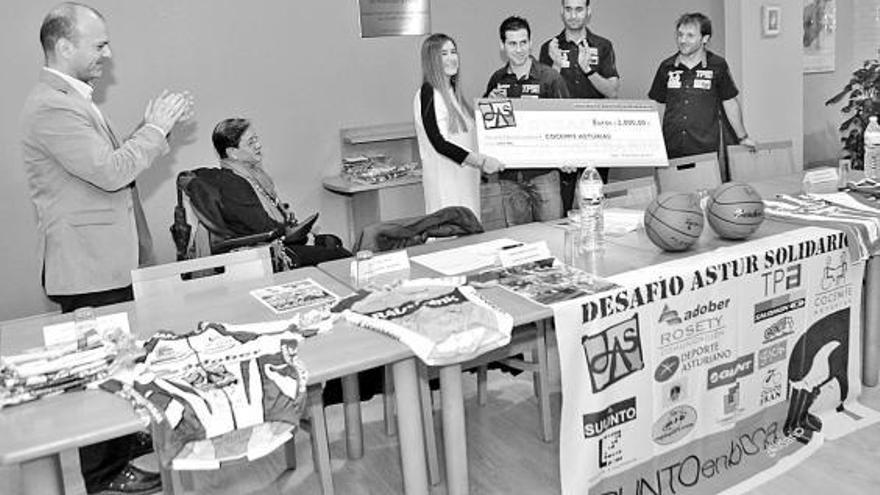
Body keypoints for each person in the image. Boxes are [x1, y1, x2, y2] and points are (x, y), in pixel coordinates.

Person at [20, 3, 192, 494]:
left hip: (107, 262)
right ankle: (105, 479)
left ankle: (125, 460)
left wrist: (151, 129)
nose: (108, 53)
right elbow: (112, 172)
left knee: (119, 369)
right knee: (97, 379)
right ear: (64, 46)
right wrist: (155, 130)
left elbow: (109, 165)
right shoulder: (51, 105)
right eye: (99, 45)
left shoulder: (74, 99)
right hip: (87, 269)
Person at [209, 118, 352, 267]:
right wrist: (300, 235)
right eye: (251, 143)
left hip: (277, 242)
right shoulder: (233, 184)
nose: (258, 145)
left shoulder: (251, 174)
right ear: (233, 153)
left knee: (332, 242)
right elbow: (264, 228)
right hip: (266, 253)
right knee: (342, 257)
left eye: (256, 139)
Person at [484, 16, 570, 227]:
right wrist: (489, 104)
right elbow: (490, 128)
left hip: (545, 174)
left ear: (531, 42)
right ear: (502, 46)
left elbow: (567, 122)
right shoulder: (497, 79)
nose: (519, 49)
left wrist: (568, 156)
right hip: (509, 176)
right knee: (518, 242)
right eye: (512, 43)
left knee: (554, 236)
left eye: (523, 42)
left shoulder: (550, 78)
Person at [648, 12, 756, 176]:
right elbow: (659, 104)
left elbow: (730, 102)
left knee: (703, 196)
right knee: (672, 197)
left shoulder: (717, 66)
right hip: (671, 147)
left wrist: (742, 137)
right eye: (680, 35)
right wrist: (654, 141)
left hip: (704, 148)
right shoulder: (666, 66)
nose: (683, 40)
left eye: (690, 36)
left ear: (705, 38)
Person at [539, 0, 620, 211]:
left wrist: (588, 70)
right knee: (562, 206)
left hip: (595, 135)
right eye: (568, 9)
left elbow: (612, 91)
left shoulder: (603, 46)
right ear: (562, 12)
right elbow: (542, 99)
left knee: (593, 204)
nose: (573, 15)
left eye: (579, 9)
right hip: (561, 136)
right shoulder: (549, 47)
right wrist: (555, 65)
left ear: (588, 12)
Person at [414, 33, 504, 218]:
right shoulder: (428, 93)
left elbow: (467, 133)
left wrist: (489, 105)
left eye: (453, 52)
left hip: (466, 184)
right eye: (443, 54)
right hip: (446, 188)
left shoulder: (454, 94)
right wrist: (482, 161)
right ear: (432, 60)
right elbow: (439, 143)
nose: (451, 58)